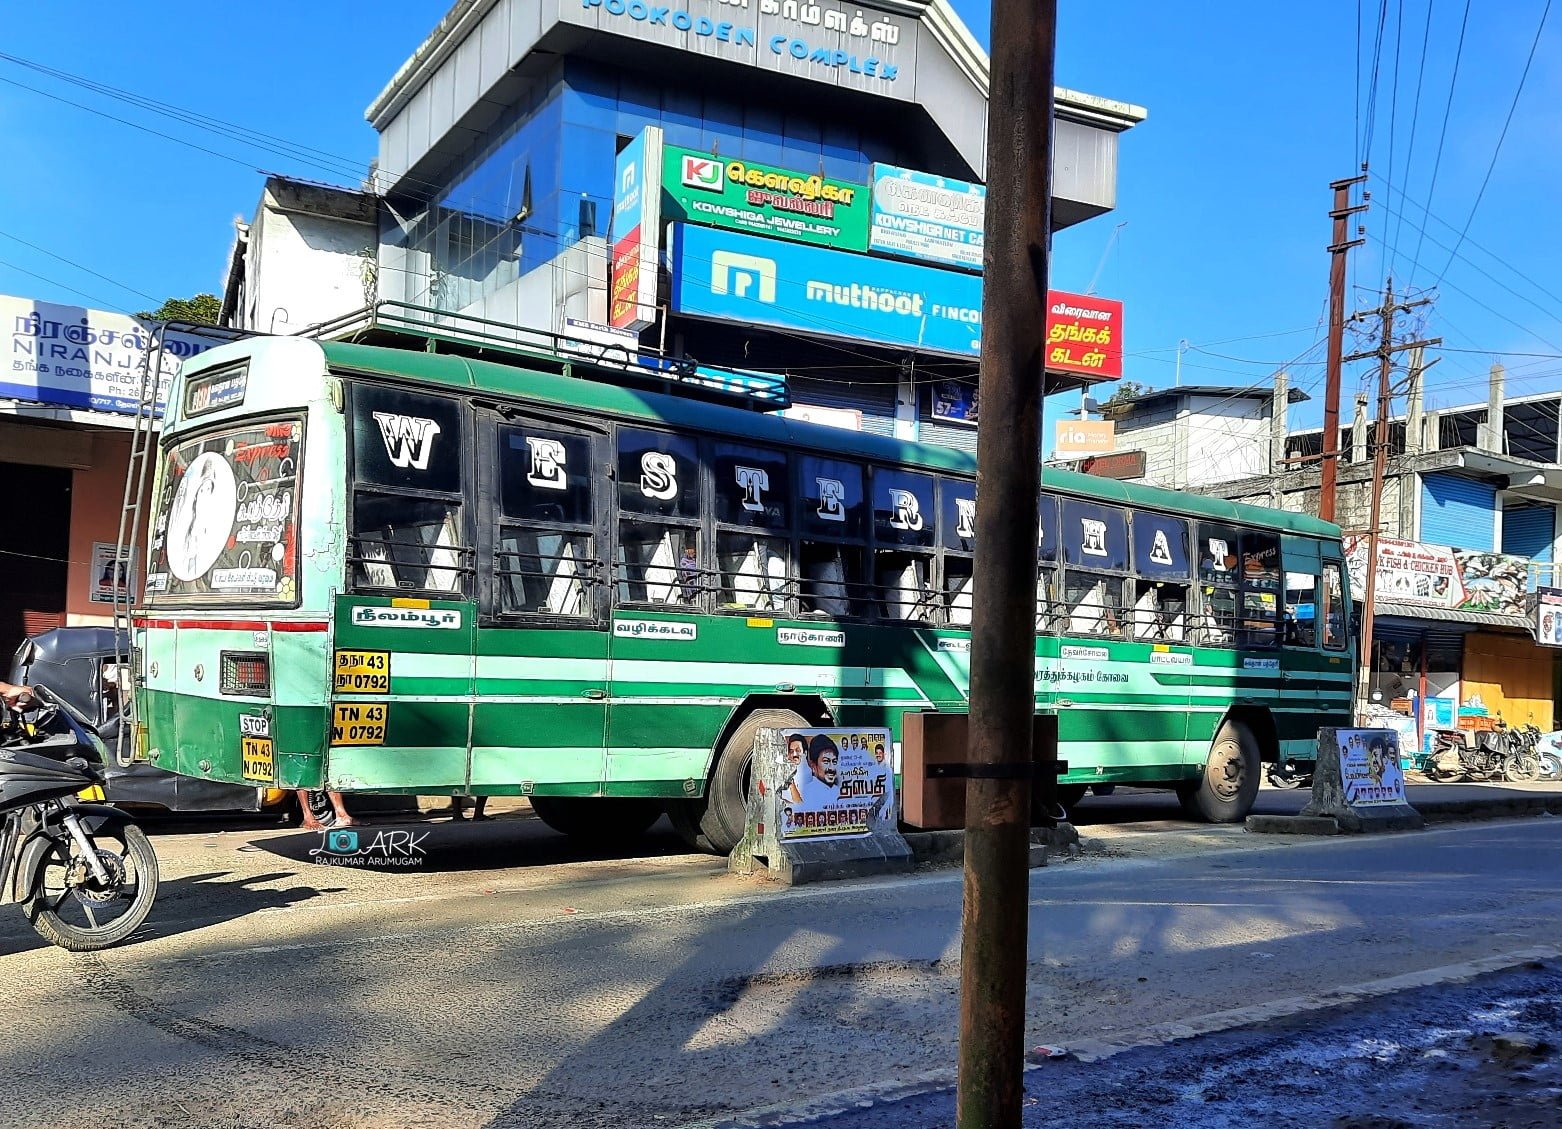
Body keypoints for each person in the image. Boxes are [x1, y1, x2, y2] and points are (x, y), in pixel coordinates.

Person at [788, 733, 839, 805]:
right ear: (813, 765)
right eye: (826, 761)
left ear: (805, 753)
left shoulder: (838, 791)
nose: (831, 768)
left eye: (834, 761)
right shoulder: (809, 788)